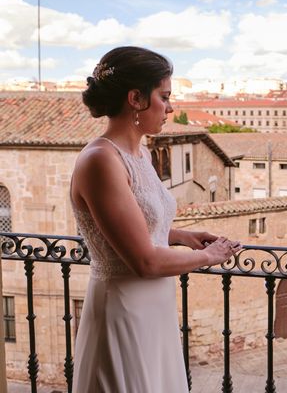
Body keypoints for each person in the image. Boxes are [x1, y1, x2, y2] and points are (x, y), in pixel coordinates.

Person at [70, 46, 241, 393]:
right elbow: (144, 261)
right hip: (123, 310)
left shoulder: (140, 153)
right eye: (164, 96)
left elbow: (137, 222)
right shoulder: (101, 160)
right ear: (136, 98)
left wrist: (180, 235)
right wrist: (210, 256)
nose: (171, 107)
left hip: (154, 306)